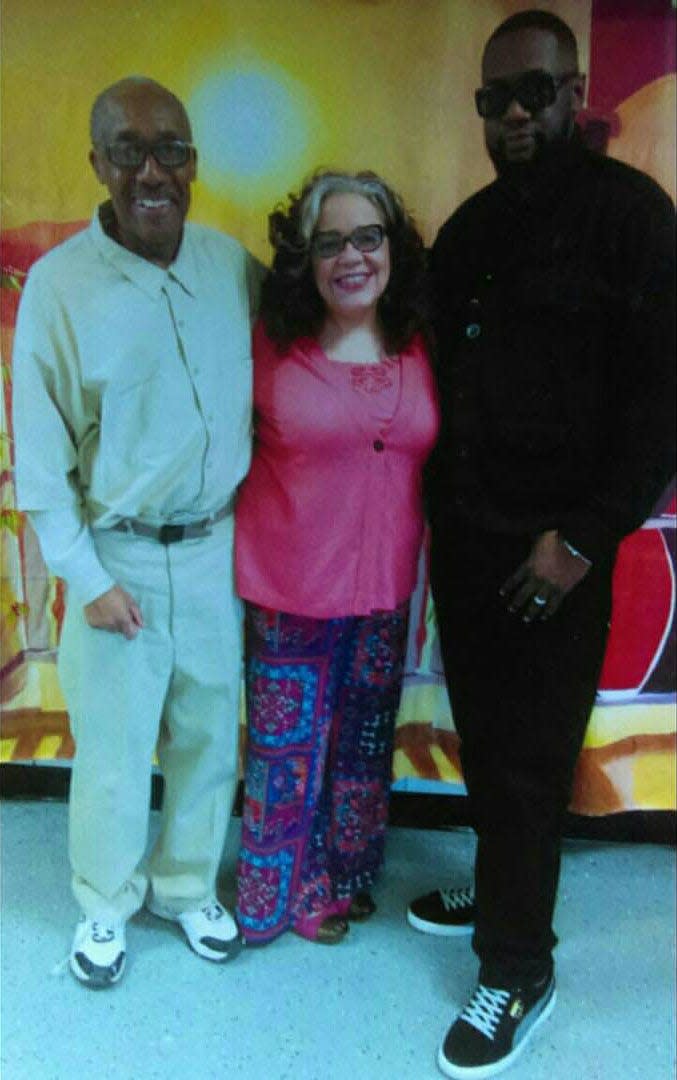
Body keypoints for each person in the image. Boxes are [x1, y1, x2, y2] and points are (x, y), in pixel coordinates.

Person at [406, 10, 676, 1078]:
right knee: (485, 738)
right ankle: (502, 874)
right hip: (466, 539)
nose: (513, 113)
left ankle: (515, 964)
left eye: (533, 92)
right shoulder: (469, 228)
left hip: (556, 551)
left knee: (526, 762)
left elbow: (661, 400)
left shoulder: (631, 217)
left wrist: (581, 537)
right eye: (493, 99)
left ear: (573, 97)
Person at [12, 76, 263, 988]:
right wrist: (86, 578)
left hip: (213, 551)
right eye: (130, 150)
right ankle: (105, 905)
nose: (153, 171)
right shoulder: (59, 288)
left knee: (208, 737)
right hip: (113, 553)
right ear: (97, 164)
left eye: (173, 150)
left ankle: (186, 885)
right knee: (115, 751)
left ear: (194, 162)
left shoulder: (230, 266)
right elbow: (40, 466)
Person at [234, 170, 439, 945]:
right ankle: (283, 890)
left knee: (361, 743)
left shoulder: (420, 342)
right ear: (304, 258)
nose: (350, 257)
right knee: (287, 756)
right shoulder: (270, 344)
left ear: (392, 247)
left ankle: (347, 872)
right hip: (290, 587)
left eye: (367, 237)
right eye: (329, 242)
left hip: (385, 589)